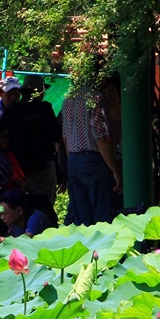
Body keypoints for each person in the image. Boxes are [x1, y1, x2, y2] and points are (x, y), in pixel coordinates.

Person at [60, 82, 122, 226]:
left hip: (73, 159)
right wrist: (114, 169)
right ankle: (100, 248)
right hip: (93, 159)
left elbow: (65, 137)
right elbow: (102, 138)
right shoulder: (95, 98)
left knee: (82, 218)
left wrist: (72, 162)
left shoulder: (68, 99)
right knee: (101, 216)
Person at [14, 74, 63, 205]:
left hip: (18, 168)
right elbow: (57, 135)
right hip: (43, 166)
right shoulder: (44, 109)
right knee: (44, 204)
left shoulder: (13, 110)